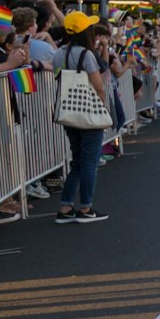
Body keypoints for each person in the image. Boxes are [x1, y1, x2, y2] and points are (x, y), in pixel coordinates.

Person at [54, 13, 112, 224]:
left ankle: (66, 206)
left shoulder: (59, 53)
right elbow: (98, 86)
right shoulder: (86, 55)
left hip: (68, 110)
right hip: (87, 111)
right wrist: (103, 107)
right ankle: (85, 207)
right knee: (89, 162)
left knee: (77, 161)